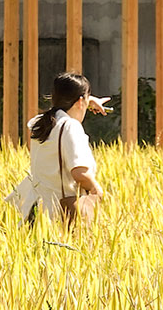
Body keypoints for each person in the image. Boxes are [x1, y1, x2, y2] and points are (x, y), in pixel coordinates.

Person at [6, 72, 111, 227]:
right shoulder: (71, 127)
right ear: (80, 102)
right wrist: (98, 191)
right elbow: (80, 173)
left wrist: (87, 100)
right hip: (61, 215)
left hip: (35, 212)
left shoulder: (40, 123)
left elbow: (64, 103)